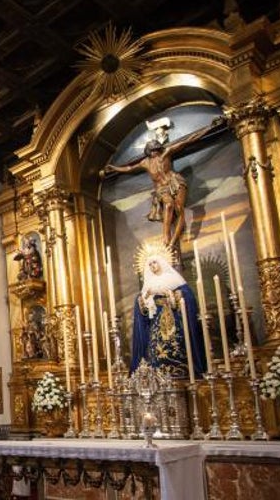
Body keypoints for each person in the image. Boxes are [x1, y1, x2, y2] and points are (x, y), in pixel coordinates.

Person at [101, 119, 222, 254]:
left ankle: (172, 241)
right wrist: (114, 168)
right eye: (152, 150)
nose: (155, 152)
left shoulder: (166, 153)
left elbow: (189, 140)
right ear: (148, 151)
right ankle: (166, 237)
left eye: (156, 149)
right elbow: (129, 168)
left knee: (179, 210)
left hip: (175, 182)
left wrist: (209, 128)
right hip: (161, 189)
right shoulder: (145, 163)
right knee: (168, 206)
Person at [129, 252, 207, 379]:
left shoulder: (173, 278)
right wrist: (144, 299)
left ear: (160, 262)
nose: (152, 266)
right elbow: (145, 309)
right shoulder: (149, 284)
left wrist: (170, 294)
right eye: (149, 264)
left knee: (177, 343)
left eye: (154, 262)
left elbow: (186, 296)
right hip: (157, 321)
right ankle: (159, 375)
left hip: (174, 318)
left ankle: (182, 372)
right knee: (155, 346)